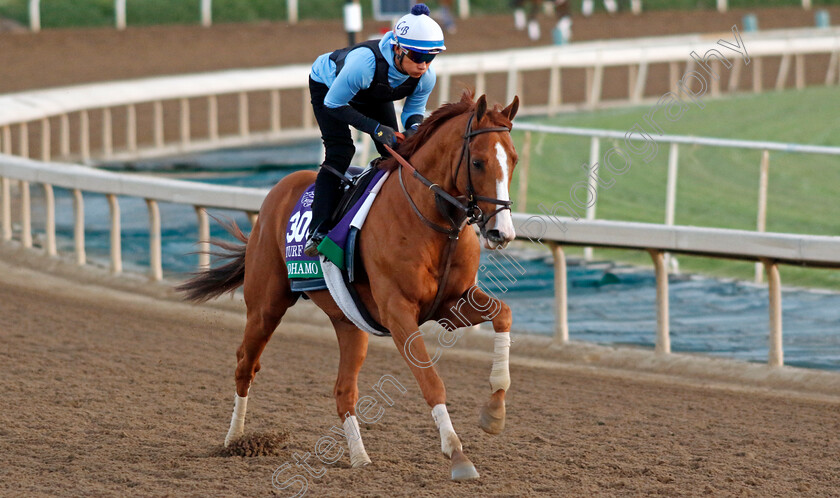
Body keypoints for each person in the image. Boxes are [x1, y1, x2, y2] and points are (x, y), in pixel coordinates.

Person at [304, 3, 446, 257]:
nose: (423, 65)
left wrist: (414, 130)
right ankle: (318, 230)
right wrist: (376, 128)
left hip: (373, 92)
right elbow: (334, 104)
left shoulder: (426, 77)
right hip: (329, 89)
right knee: (341, 151)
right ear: (398, 48)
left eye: (430, 57)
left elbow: (413, 113)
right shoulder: (364, 64)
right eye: (417, 57)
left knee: (397, 150)